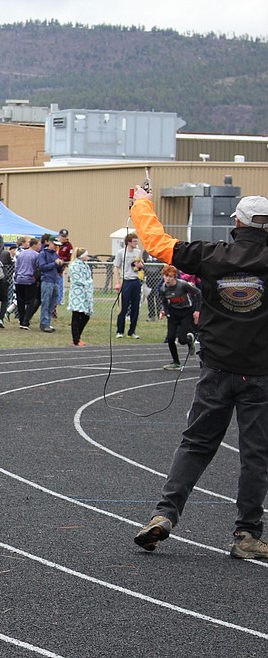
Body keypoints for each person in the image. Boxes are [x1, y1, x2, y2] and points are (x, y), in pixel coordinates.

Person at [129, 190, 268, 560]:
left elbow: (157, 243)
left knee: (196, 444)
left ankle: (164, 513)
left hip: (217, 369)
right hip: (261, 375)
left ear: (236, 223)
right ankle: (247, 534)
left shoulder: (211, 255)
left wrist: (140, 202)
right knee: (256, 454)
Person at [157, 264, 201, 370]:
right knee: (170, 338)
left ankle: (189, 341)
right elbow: (164, 302)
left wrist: (197, 311)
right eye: (166, 276)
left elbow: (198, 293)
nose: (168, 279)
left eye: (170, 276)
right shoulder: (163, 288)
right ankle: (176, 362)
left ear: (175, 277)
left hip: (186, 312)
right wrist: (163, 311)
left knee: (181, 339)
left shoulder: (183, 285)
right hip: (173, 313)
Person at [113, 231, 145, 338]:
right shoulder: (121, 253)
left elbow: (140, 265)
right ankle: (120, 331)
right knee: (123, 307)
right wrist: (117, 282)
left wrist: (140, 265)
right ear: (128, 242)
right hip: (126, 281)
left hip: (136, 280)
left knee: (135, 307)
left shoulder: (138, 252)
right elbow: (116, 267)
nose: (136, 243)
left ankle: (132, 331)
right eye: (134, 241)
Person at [66, 248, 95, 347]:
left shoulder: (85, 265)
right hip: (77, 294)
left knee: (86, 316)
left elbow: (88, 277)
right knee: (77, 316)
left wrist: (89, 283)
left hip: (86, 294)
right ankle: (76, 339)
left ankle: (78, 336)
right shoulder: (74, 266)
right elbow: (78, 279)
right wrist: (88, 283)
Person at [36, 234, 62, 333]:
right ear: (49, 243)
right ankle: (44, 323)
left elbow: (58, 268)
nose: (56, 246)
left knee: (52, 303)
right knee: (46, 302)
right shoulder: (43, 254)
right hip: (47, 280)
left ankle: (48, 322)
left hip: (55, 280)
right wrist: (54, 263)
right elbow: (42, 267)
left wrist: (60, 265)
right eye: (54, 244)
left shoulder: (56, 254)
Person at [14, 237, 40, 329]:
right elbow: (37, 268)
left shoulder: (21, 254)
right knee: (30, 302)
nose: (40, 246)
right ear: (34, 245)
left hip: (19, 280)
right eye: (39, 244)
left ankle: (21, 320)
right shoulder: (36, 255)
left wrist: (17, 277)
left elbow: (16, 266)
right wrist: (36, 278)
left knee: (20, 301)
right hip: (29, 280)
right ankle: (25, 321)